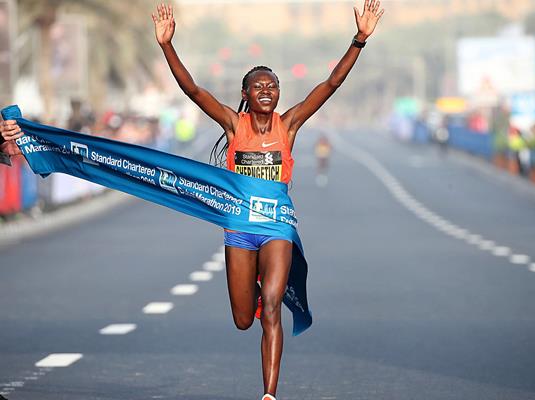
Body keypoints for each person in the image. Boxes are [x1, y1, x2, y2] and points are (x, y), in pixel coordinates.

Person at [2, 2, 384, 399]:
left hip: (277, 228)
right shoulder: (234, 124)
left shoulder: (289, 125)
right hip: (238, 229)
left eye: (273, 86)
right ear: (245, 94)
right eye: (259, 86)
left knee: (272, 307)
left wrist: (359, 39)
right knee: (243, 318)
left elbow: (330, 84)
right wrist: (168, 46)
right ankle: (256, 290)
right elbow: (192, 90)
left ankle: (269, 394)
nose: (267, 91)